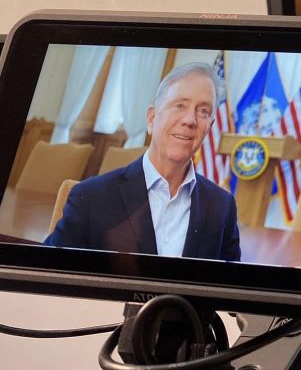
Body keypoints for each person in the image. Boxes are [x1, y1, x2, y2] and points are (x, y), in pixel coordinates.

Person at [44, 62, 241, 261]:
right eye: (180, 105)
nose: (190, 120)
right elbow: (48, 273)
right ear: (151, 119)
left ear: (210, 127)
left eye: (204, 111)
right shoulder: (91, 197)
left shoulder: (222, 207)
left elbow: (230, 288)